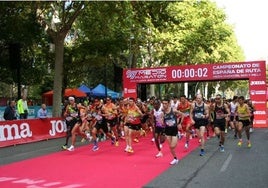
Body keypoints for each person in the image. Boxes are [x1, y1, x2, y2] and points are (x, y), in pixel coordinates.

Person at [162, 98, 184, 165]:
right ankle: (175, 158)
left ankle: (179, 134)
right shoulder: (163, 112)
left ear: (168, 104)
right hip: (167, 130)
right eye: (163, 103)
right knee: (170, 147)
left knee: (172, 146)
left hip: (174, 130)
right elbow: (163, 122)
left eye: (166, 103)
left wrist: (180, 123)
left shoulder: (173, 110)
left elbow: (182, 114)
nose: (164, 105)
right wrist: (162, 122)